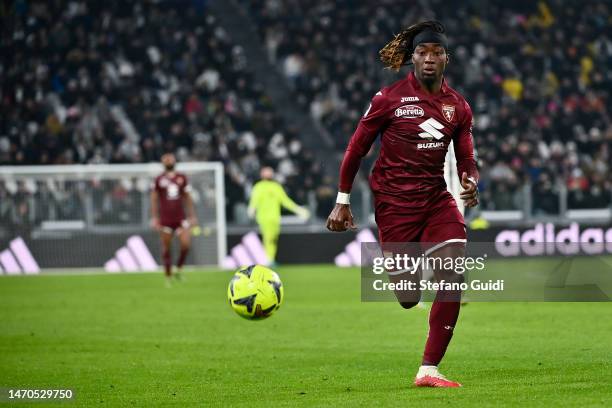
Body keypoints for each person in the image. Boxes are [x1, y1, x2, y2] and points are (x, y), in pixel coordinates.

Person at [326, 21, 479, 387]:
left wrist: (470, 180)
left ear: (447, 59)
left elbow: (467, 157)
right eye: (422, 52)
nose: (429, 59)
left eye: (436, 53)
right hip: (394, 205)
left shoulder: (457, 106)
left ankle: (429, 369)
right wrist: (341, 200)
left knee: (454, 269)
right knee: (408, 296)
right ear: (412, 58)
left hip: (437, 199)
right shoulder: (388, 99)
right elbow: (355, 148)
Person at [150, 153, 198, 285]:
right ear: (162, 162)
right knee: (166, 248)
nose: (168, 159)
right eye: (165, 158)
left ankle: (179, 268)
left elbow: (187, 197)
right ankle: (168, 276)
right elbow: (154, 199)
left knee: (185, 244)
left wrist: (192, 215)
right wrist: (154, 217)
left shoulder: (182, 177)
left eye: (170, 157)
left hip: (180, 218)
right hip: (165, 219)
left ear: (174, 161)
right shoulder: (158, 179)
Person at [248, 167, 310, 265]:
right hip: (264, 217)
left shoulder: (276, 186)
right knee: (268, 238)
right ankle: (268, 260)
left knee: (273, 239)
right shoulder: (258, 186)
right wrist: (251, 209)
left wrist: (298, 210)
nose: (268, 174)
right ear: (262, 175)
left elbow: (285, 201)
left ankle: (270, 259)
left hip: (275, 217)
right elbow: (254, 200)